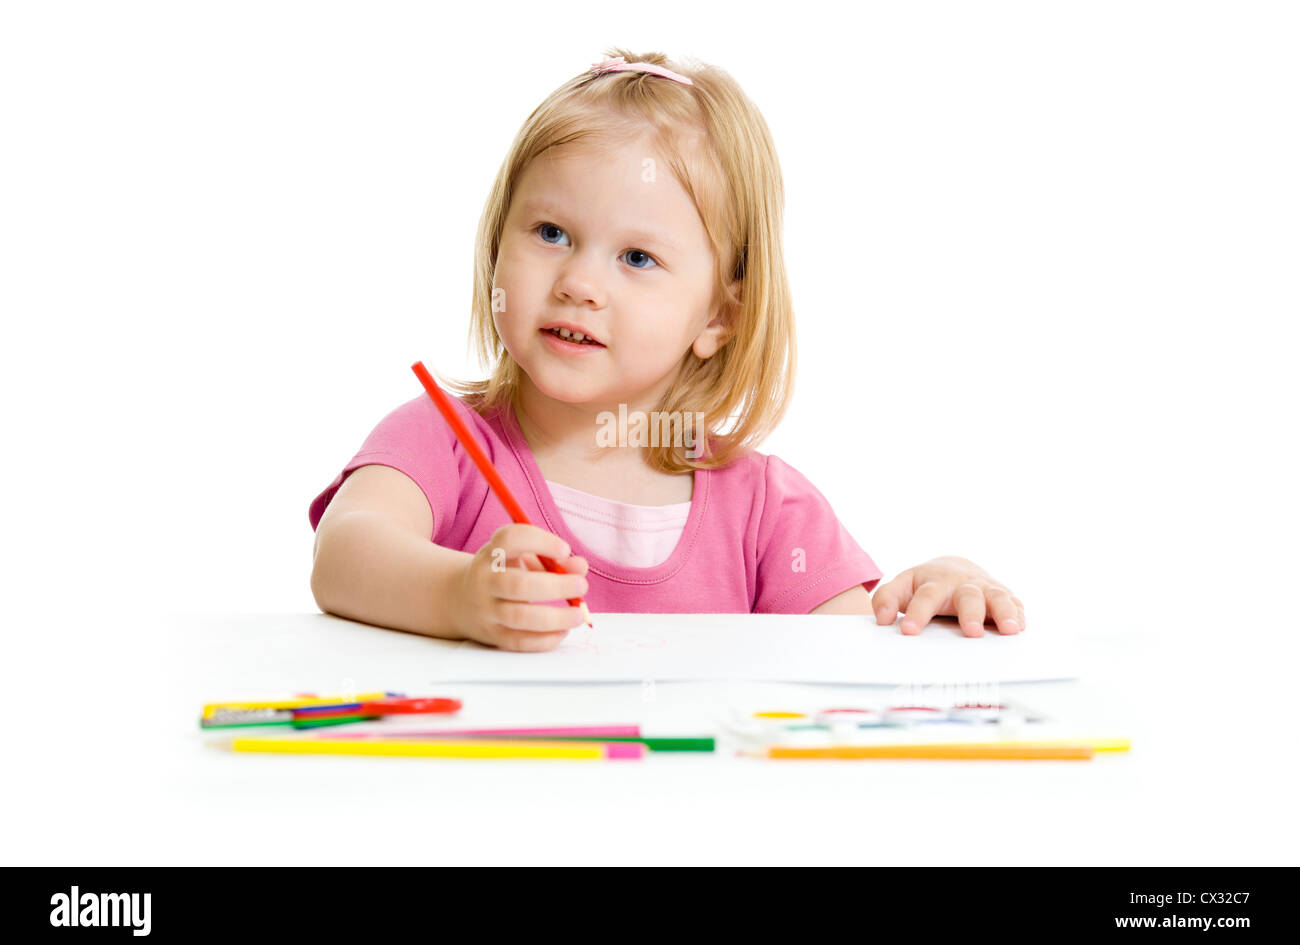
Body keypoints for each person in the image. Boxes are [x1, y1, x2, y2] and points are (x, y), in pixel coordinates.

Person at [308, 49, 1025, 651]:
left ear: (718, 316)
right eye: (551, 233)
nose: (581, 284)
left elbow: (848, 659)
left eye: (638, 258)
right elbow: (345, 555)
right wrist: (460, 596)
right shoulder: (443, 441)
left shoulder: (768, 513)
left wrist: (936, 592)